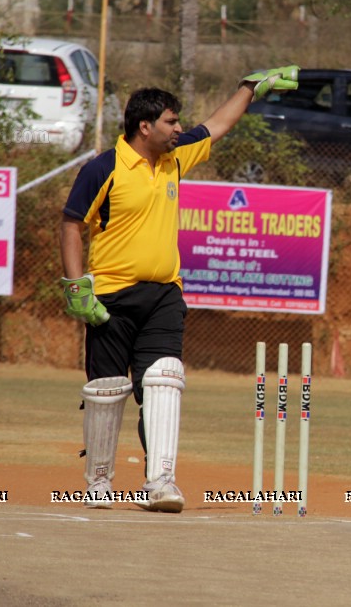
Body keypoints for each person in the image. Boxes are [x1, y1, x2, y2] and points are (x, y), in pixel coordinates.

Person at [59, 66, 299, 512]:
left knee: (164, 382)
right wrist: (77, 287)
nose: (179, 129)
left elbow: (218, 124)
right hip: (110, 296)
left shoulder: (175, 156)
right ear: (145, 126)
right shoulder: (104, 168)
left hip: (165, 294)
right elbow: (73, 223)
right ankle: (99, 480)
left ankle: (161, 482)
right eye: (171, 121)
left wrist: (249, 86)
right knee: (108, 391)